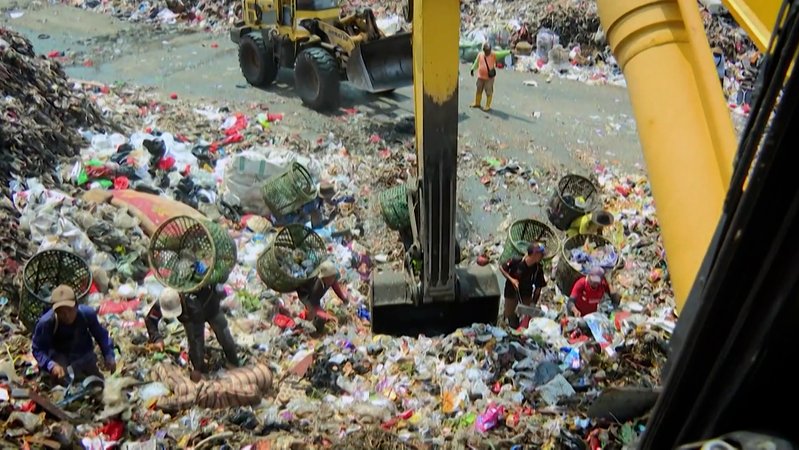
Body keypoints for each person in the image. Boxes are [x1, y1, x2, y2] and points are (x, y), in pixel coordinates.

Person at [146, 285, 239, 382]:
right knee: (194, 345)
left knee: (224, 336)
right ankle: (202, 370)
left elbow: (197, 340)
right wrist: (157, 339)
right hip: (189, 314)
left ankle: (234, 363)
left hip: (211, 308)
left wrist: (197, 369)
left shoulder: (193, 307)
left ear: (180, 299)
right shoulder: (165, 301)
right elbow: (150, 319)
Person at [31, 285, 116, 384]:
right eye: (61, 312)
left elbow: (101, 336)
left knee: (98, 383)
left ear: (76, 305)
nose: (66, 315)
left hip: (84, 357)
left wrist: (108, 355)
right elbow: (38, 349)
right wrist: (51, 365)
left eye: (69, 310)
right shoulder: (46, 323)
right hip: (61, 360)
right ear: (55, 311)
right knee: (63, 384)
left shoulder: (86, 314)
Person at [499, 243, 546, 328]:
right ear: (535, 254)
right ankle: (511, 326)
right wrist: (512, 280)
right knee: (510, 314)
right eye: (541, 254)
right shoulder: (516, 261)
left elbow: (538, 288)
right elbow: (502, 268)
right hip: (512, 291)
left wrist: (533, 303)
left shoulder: (538, 268)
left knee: (527, 316)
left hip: (526, 293)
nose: (542, 256)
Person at [295, 260, 349, 327]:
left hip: (315, 302)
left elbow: (335, 286)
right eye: (332, 277)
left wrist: (343, 298)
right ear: (325, 277)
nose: (334, 278)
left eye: (334, 276)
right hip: (305, 302)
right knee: (319, 320)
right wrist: (327, 316)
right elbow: (313, 306)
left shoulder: (329, 279)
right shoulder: (315, 287)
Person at [273, 181, 338, 228]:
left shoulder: (312, 185)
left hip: (285, 199)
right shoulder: (315, 204)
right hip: (289, 213)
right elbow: (315, 224)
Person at [470, 42, 497, 111]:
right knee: (478, 89)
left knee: (488, 91)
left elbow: (502, 53)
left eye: (489, 50)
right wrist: (472, 69)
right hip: (480, 76)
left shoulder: (493, 55)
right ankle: (477, 103)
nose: (488, 52)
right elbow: (476, 62)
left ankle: (487, 106)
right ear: (484, 50)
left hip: (489, 78)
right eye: (487, 51)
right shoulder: (480, 54)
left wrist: (509, 52)